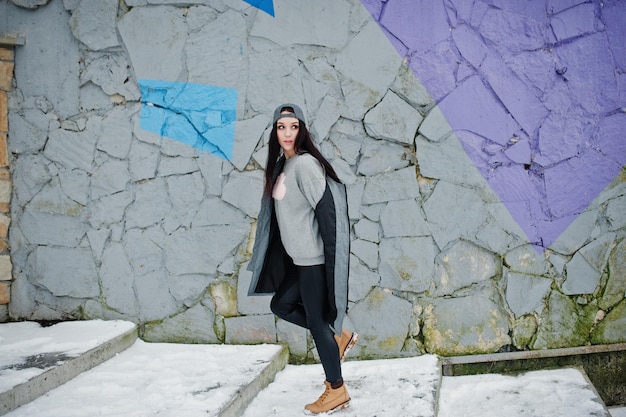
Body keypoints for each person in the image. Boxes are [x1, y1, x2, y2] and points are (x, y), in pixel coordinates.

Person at [247, 103, 358, 414]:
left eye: (293, 127)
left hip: (313, 261)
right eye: (281, 127)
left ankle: (336, 389)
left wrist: (331, 261)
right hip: (299, 261)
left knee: (316, 322)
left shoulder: (306, 165)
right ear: (274, 131)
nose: (287, 133)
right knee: (280, 305)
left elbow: (327, 213)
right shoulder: (286, 165)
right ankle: (340, 336)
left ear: (302, 130)